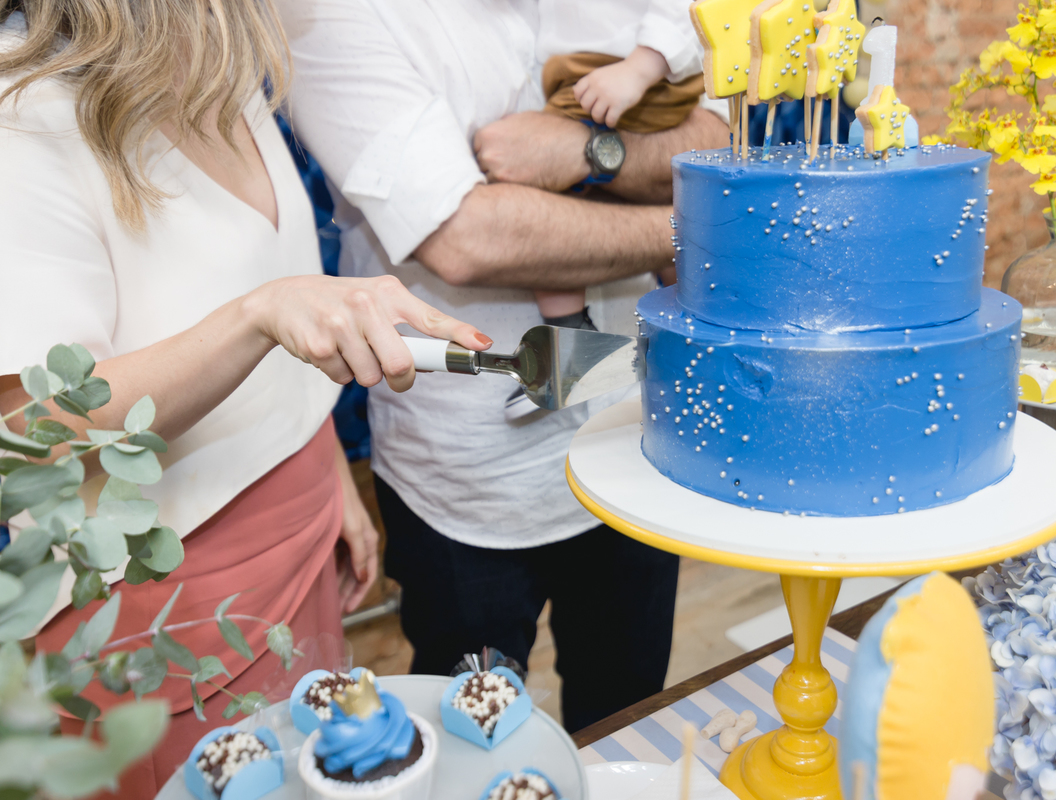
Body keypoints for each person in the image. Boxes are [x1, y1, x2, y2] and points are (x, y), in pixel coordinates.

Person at [0, 2, 488, 796]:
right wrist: (254, 318)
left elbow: (285, 306)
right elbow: (33, 425)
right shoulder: (23, 115)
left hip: (298, 533)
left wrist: (327, 470)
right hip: (159, 597)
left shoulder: (223, 75)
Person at [278, 0, 728, 732]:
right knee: (475, 735)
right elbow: (464, 236)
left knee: (629, 714)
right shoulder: (330, 15)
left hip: (631, 431)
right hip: (469, 484)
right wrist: (708, 230)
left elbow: (712, 137)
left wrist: (587, 151)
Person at [532, 0, 706, 332]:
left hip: (629, 70)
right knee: (661, 202)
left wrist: (640, 68)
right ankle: (690, 315)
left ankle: (567, 332)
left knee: (547, 189)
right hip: (597, 69)